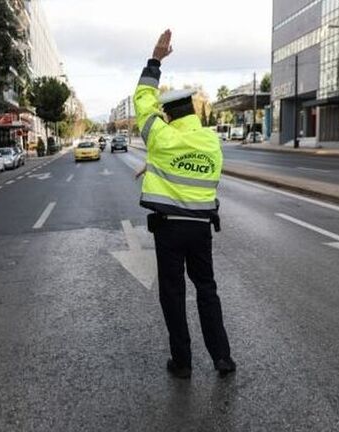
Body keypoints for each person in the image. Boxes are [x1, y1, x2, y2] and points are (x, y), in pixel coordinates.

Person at [134, 30, 236, 379]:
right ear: (192, 110)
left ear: (168, 115)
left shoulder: (160, 137)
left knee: (173, 295)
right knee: (207, 290)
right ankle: (222, 357)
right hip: (201, 229)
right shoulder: (210, 141)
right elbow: (191, 162)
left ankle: (183, 362)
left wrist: (155, 60)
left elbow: (142, 100)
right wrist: (156, 162)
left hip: (169, 229)